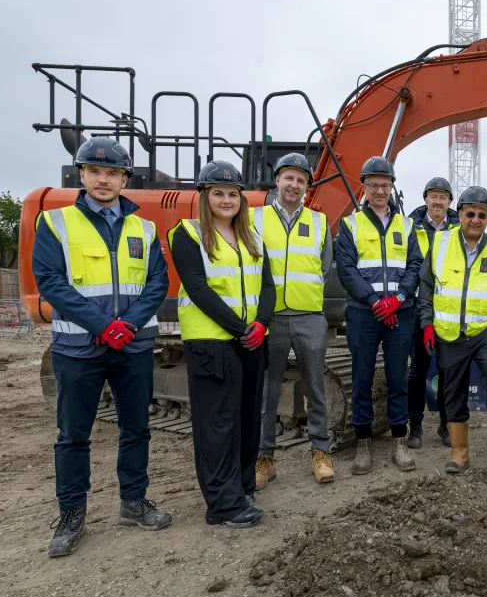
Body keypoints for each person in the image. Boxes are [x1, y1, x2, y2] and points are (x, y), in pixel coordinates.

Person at [33, 138, 171, 557]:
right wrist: (100, 325)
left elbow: (156, 283)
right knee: (73, 435)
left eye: (113, 173)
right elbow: (51, 281)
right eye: (95, 171)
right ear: (82, 175)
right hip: (78, 349)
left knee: (137, 428)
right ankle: (72, 513)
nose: (104, 179)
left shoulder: (143, 228)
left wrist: (126, 325)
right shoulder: (56, 223)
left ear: (125, 178)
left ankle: (133, 502)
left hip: (131, 347)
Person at [168, 160, 276, 528]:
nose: (227, 200)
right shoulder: (188, 234)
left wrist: (261, 323)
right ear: (204, 196)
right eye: (218, 193)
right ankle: (222, 505)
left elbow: (267, 286)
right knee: (218, 423)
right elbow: (197, 288)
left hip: (250, 339)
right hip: (211, 341)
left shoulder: (252, 237)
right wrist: (240, 327)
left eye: (233, 194)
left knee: (246, 418)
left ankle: (243, 486)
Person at [419, 187, 487, 472]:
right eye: (470, 213)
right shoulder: (440, 244)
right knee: (452, 389)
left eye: (483, 214)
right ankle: (459, 452)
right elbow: (426, 288)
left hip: (485, 330)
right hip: (448, 333)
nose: (476, 219)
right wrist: (426, 324)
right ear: (460, 215)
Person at [335, 156, 423, 475]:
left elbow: (416, 266)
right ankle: (363, 444)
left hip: (400, 313)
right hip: (364, 313)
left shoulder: (407, 225)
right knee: (362, 378)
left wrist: (398, 299)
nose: (380, 191)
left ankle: (399, 442)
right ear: (364, 188)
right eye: (373, 185)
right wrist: (374, 300)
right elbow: (345, 268)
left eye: (385, 185)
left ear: (392, 187)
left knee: (398, 377)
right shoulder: (350, 224)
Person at [252, 153, 335, 487]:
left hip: (309, 317)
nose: (294, 184)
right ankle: (264, 457)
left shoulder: (318, 222)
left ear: (306, 187)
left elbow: (325, 269)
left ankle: (320, 451)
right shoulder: (255, 219)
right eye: (289, 178)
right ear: (277, 181)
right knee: (267, 390)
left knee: (316, 388)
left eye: (300, 180)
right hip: (269, 318)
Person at [407, 177, 459, 449]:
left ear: (449, 201)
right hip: (418, 310)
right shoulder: (409, 226)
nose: (438, 202)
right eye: (433, 196)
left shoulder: (460, 228)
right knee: (417, 373)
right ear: (425, 198)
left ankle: (446, 425)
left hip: (448, 311)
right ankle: (415, 426)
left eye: (443, 197)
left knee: (448, 372)